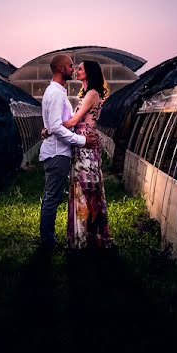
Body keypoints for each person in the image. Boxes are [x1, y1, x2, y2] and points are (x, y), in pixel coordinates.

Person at [39, 54, 98, 249]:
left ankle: (49, 239)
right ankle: (47, 242)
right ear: (60, 69)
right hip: (57, 153)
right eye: (71, 66)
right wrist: (81, 140)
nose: (73, 70)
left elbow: (56, 125)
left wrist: (48, 129)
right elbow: (57, 127)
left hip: (57, 151)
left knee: (53, 196)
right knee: (52, 198)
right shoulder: (56, 93)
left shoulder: (57, 92)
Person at [62, 60, 113, 249]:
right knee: (86, 189)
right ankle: (88, 236)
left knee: (87, 190)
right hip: (83, 146)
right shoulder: (87, 94)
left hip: (86, 148)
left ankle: (89, 238)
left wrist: (52, 128)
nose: (76, 71)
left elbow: (75, 120)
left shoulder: (92, 94)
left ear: (89, 73)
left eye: (80, 69)